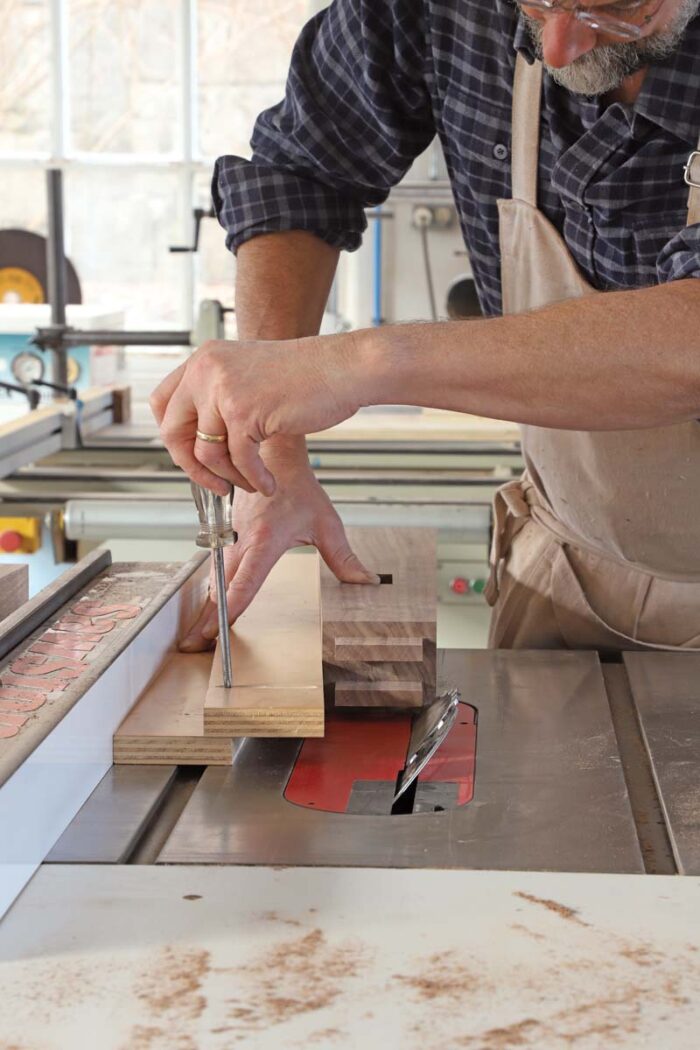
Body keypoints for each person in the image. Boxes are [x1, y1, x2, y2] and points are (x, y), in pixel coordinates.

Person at [152, 0, 700, 653]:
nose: (555, 48)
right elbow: (300, 173)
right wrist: (274, 460)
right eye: (535, 4)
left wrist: (361, 364)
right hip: (571, 571)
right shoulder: (448, 10)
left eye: (614, 7)